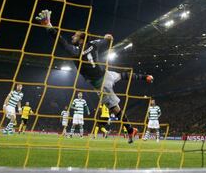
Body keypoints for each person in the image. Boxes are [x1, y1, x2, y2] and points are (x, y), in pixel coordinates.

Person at [36, 9, 153, 143]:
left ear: (81, 39)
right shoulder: (93, 44)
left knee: (115, 109)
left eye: (75, 35)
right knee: (123, 75)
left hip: (101, 84)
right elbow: (106, 40)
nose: (72, 36)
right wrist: (108, 38)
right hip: (106, 74)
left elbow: (61, 41)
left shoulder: (76, 52)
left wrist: (48, 26)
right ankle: (146, 77)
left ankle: (131, 130)